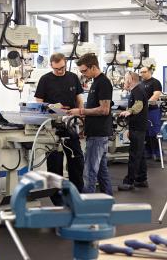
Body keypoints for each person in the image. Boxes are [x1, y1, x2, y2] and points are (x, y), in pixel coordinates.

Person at [34, 53, 84, 200]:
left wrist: (80, 117)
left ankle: (77, 195)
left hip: (71, 124)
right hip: (52, 127)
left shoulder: (73, 77)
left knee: (76, 161)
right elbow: (38, 103)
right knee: (54, 165)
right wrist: (51, 107)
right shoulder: (45, 80)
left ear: (66, 64)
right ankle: (57, 199)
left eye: (62, 68)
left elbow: (79, 99)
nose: (60, 71)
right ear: (51, 65)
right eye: (57, 69)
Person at [68, 53, 113, 196]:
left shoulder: (103, 82)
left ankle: (87, 207)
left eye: (84, 71)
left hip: (98, 135)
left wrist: (80, 111)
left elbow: (104, 110)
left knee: (89, 172)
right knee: (101, 170)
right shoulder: (95, 82)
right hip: (95, 132)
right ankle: (108, 200)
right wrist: (85, 127)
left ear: (93, 67)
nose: (83, 74)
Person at [118, 71, 149, 191]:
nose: (123, 82)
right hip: (137, 127)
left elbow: (139, 105)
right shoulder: (137, 90)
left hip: (138, 128)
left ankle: (129, 182)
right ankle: (141, 179)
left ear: (130, 79)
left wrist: (129, 111)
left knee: (134, 154)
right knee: (139, 154)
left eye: (125, 79)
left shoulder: (138, 90)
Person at [139, 66, 163, 160]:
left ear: (149, 72)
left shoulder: (155, 82)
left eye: (143, 72)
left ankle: (158, 153)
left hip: (152, 111)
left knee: (154, 132)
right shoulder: (140, 83)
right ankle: (148, 152)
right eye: (140, 72)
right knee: (145, 132)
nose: (141, 74)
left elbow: (156, 95)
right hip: (142, 111)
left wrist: (146, 105)